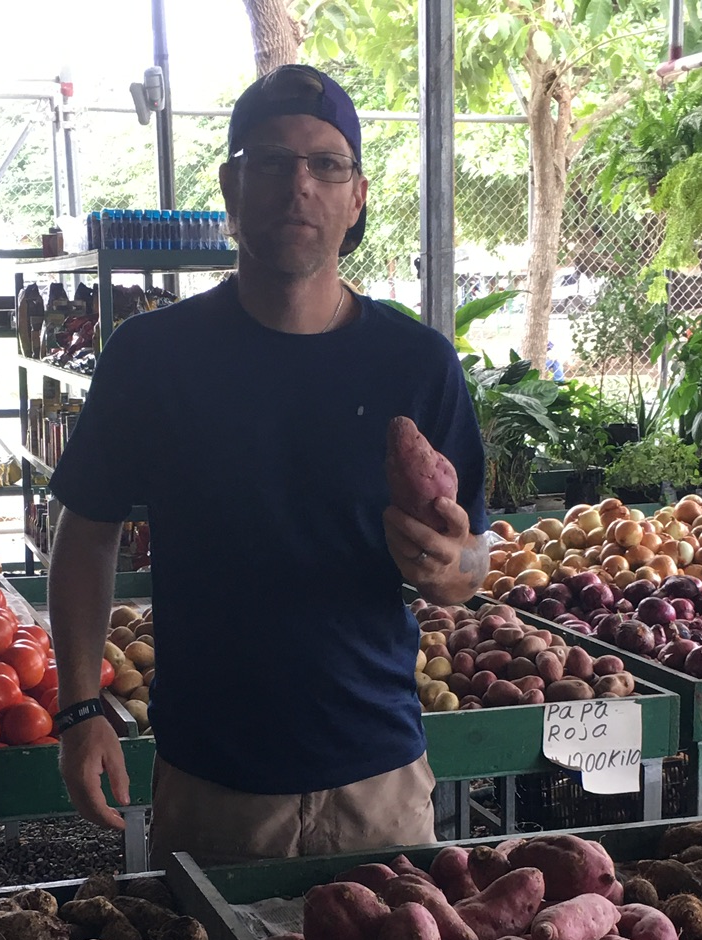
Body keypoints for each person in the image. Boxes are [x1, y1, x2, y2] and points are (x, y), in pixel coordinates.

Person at [46, 63, 488, 867]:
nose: (300, 187)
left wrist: (451, 567)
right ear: (230, 184)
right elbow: (86, 529)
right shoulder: (153, 357)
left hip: (378, 780)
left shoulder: (416, 362)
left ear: (356, 197)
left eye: (326, 165)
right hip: (213, 783)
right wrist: (80, 708)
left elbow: (472, 556)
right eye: (271, 161)